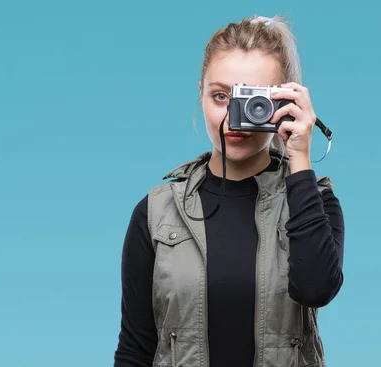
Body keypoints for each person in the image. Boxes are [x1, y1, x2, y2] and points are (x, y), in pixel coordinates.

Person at [113, 14, 345, 367]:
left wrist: (300, 158)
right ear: (201, 95)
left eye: (253, 100)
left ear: (284, 102)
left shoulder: (315, 202)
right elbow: (135, 350)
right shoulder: (156, 214)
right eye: (221, 96)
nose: (234, 115)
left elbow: (315, 289)